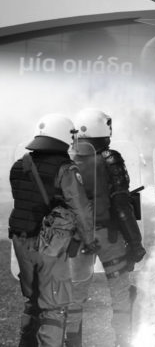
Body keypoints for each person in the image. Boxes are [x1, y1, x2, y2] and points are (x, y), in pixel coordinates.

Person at [9, 114, 96, 346]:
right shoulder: (66, 169)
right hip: (50, 243)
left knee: (32, 301)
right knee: (54, 307)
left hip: (20, 239)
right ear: (63, 136)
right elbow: (81, 208)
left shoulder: (20, 165)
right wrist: (89, 240)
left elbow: (25, 201)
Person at [65, 108, 146, 347]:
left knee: (75, 296)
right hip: (108, 235)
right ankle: (122, 342)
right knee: (121, 293)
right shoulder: (110, 158)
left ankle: (71, 343)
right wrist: (135, 242)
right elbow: (121, 205)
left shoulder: (67, 158)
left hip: (77, 237)